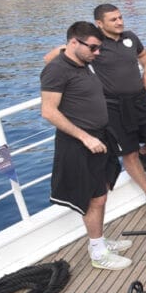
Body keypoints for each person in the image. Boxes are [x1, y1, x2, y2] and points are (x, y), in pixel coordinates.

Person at [43, 5, 146, 216]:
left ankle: (144, 153)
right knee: (128, 152)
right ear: (99, 24)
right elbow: (50, 58)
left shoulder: (130, 37)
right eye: (113, 19)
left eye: (120, 17)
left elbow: (144, 54)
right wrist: (73, 66)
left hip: (140, 100)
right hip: (113, 106)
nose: (120, 22)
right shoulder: (93, 45)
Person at [40, 21, 133, 270]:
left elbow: (53, 54)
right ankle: (98, 253)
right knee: (94, 199)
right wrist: (85, 138)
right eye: (93, 48)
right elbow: (48, 111)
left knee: (101, 193)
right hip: (80, 143)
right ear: (74, 43)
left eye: (98, 47)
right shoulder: (57, 71)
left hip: (100, 137)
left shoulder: (83, 61)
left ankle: (99, 242)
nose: (97, 53)